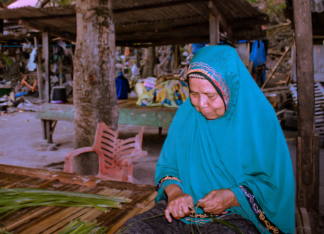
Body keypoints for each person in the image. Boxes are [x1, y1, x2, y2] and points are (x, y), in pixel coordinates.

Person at [121, 45, 294, 233]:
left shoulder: (259, 120)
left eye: (211, 95)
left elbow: (275, 187)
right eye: (194, 94)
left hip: (236, 214)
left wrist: (232, 196)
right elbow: (168, 166)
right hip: (181, 213)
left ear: (231, 89)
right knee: (134, 228)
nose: (201, 105)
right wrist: (176, 193)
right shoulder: (187, 114)